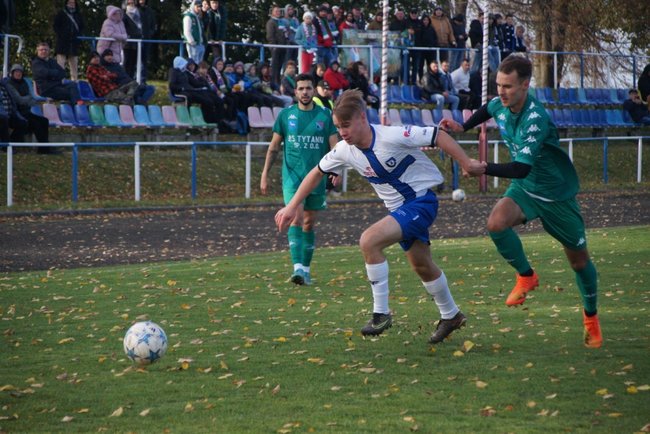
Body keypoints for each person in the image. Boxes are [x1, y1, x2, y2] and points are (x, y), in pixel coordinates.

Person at [274, 89, 476, 342]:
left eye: (346, 125)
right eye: (338, 126)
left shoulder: (391, 135)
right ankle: (451, 315)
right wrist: (292, 206)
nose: (342, 132)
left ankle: (381, 313)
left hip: (421, 202)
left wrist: (466, 163)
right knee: (422, 265)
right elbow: (316, 172)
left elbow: (438, 135)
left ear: (361, 117)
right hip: (400, 210)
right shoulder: (344, 150)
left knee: (369, 240)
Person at [440, 55, 603, 349]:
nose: (501, 92)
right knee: (496, 223)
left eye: (508, 86)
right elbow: (488, 108)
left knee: (579, 262)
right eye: (499, 85)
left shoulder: (535, 118)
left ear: (525, 85)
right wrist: (462, 126)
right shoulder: (500, 104)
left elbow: (520, 168)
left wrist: (483, 167)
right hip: (525, 189)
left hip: (555, 195)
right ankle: (527, 276)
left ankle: (591, 317)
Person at [260, 73, 339, 286]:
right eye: (301, 88)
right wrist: (264, 174)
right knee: (296, 217)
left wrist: (336, 171)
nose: (305, 92)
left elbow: (335, 147)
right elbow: (273, 148)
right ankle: (297, 269)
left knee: (309, 222)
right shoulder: (286, 116)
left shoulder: (325, 115)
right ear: (295, 92)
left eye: (308, 88)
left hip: (317, 177)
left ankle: (306, 269)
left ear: (313, 91)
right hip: (292, 178)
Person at [4, 64, 51, 151]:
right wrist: (29, 98)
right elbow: (19, 100)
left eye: (20, 72)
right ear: (12, 73)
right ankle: (44, 149)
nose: (18, 74)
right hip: (15, 113)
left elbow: (33, 100)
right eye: (16, 72)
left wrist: (28, 99)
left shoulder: (25, 83)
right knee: (35, 124)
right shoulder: (9, 84)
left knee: (44, 121)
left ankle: (45, 147)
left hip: (26, 112)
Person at [168, 56, 224, 125]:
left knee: (209, 99)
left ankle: (214, 121)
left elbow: (194, 83)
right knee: (206, 101)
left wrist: (203, 83)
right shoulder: (173, 71)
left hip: (190, 90)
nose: (185, 66)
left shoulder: (184, 72)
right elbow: (172, 85)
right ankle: (208, 120)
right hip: (182, 91)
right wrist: (182, 88)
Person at [53, 0, 84, 81]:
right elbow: (56, 26)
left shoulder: (78, 15)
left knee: (74, 66)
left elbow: (82, 27)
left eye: (73, 2)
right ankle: (60, 81)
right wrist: (62, 35)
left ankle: (75, 82)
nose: (72, 4)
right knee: (60, 65)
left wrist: (78, 36)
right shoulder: (61, 14)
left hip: (74, 43)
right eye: (70, 2)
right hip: (62, 43)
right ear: (66, 3)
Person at [0, 79, 29, 144]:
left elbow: (13, 100)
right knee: (3, 120)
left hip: (10, 114)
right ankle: (6, 146)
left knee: (23, 123)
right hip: (2, 116)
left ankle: (12, 142)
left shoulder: (5, 85)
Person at [266, 6, 289, 86]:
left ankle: (278, 81)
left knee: (280, 65)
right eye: (276, 11)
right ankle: (274, 82)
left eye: (279, 11)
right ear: (272, 12)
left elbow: (285, 33)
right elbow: (270, 35)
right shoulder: (271, 22)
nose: (278, 13)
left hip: (283, 46)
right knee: (275, 65)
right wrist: (274, 45)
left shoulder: (282, 22)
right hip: (275, 47)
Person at [122, 0, 143, 80]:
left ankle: (132, 80)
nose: (131, 5)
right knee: (127, 62)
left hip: (137, 41)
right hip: (127, 42)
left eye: (133, 3)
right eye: (129, 3)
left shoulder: (139, 13)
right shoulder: (123, 15)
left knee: (134, 63)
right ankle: (125, 80)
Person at [137, 0, 157, 81]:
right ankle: (134, 79)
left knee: (144, 60)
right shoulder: (135, 10)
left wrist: (150, 33)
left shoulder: (150, 11)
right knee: (136, 59)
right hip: (137, 39)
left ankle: (142, 80)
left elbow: (153, 25)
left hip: (147, 39)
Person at [416, 14, 438, 84]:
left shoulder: (431, 29)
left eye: (427, 20)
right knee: (420, 66)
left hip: (430, 50)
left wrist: (433, 45)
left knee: (431, 65)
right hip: (421, 50)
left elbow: (435, 38)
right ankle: (421, 79)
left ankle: (431, 80)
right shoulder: (419, 28)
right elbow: (418, 39)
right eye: (424, 20)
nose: (426, 21)